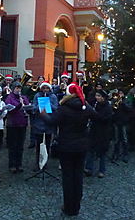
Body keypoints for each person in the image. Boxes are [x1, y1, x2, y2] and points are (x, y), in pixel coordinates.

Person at [40, 83, 95, 217]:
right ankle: (76, 206)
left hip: (67, 146)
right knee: (78, 176)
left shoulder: (64, 108)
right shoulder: (85, 106)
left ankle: (69, 207)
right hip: (81, 146)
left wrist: (43, 114)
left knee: (68, 177)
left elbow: (52, 121)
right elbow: (96, 116)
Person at [84, 89, 113, 178]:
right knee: (90, 149)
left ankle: (102, 170)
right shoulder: (96, 104)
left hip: (103, 131)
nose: (97, 98)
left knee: (102, 152)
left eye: (99, 96)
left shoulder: (107, 107)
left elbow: (103, 118)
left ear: (103, 98)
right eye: (96, 96)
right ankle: (89, 168)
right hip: (94, 130)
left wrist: (93, 112)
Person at [31, 81, 58, 171]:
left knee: (47, 144)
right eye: (44, 88)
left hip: (48, 123)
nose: (45, 90)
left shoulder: (53, 97)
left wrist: (48, 103)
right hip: (39, 123)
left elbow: (56, 108)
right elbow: (33, 108)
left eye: (47, 88)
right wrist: (40, 105)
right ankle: (38, 163)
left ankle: (45, 162)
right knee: (38, 145)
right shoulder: (37, 96)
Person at [5, 84, 30, 173]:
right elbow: (10, 110)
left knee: (20, 146)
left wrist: (27, 107)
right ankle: (12, 164)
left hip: (22, 123)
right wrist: (19, 105)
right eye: (16, 88)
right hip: (13, 124)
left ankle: (19, 164)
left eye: (19, 88)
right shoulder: (9, 98)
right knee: (13, 146)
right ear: (13, 89)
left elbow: (27, 106)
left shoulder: (24, 97)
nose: (18, 90)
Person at [111, 89, 129, 163]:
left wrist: (123, 104)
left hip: (124, 121)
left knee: (124, 138)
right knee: (116, 139)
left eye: (121, 93)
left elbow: (129, 109)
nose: (120, 95)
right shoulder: (114, 100)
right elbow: (112, 109)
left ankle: (125, 154)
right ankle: (116, 154)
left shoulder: (126, 100)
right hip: (116, 121)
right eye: (119, 93)